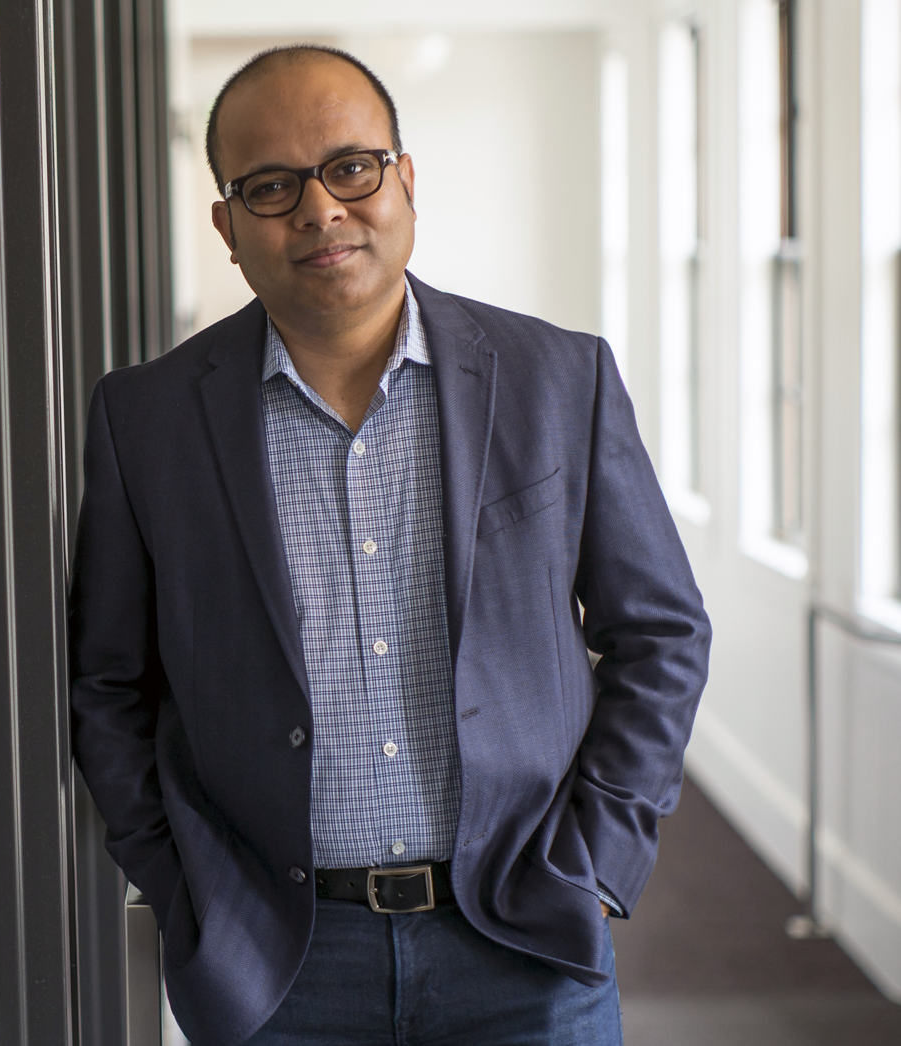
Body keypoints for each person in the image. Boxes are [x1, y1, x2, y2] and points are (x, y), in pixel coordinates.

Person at [68, 45, 710, 1046]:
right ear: (227, 226)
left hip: (525, 938)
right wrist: (180, 879)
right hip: (279, 964)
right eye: (271, 187)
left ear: (405, 180)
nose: (321, 211)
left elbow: (661, 633)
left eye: (351, 168)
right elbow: (110, 681)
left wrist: (598, 864)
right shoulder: (145, 418)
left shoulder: (557, 379)